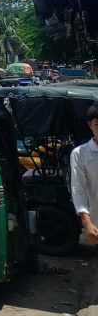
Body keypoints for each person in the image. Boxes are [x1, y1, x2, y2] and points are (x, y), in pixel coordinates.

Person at [70, 103, 98, 246]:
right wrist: (87, 223)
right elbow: (78, 190)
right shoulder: (80, 154)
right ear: (90, 124)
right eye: (97, 124)